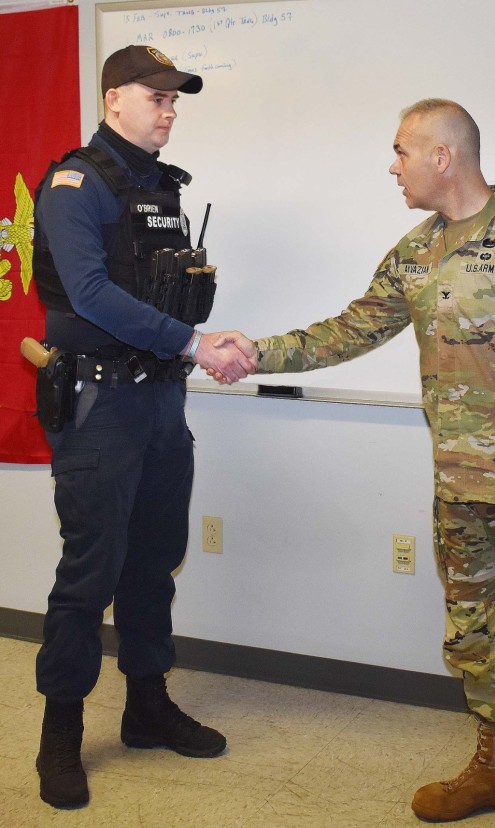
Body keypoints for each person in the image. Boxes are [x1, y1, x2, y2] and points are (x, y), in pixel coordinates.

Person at [215, 99, 495, 826]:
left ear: (443, 156)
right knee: (475, 635)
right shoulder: (417, 250)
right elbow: (353, 327)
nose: (393, 165)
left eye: (402, 151)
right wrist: (256, 352)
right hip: (458, 487)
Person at [32, 45, 254, 809]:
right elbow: (90, 295)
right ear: (112, 98)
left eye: (174, 100)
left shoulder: (162, 189)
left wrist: (197, 334)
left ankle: (146, 707)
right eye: (156, 98)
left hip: (160, 402)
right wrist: (197, 344)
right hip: (99, 405)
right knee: (88, 575)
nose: (170, 111)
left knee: (155, 562)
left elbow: (161, 298)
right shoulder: (74, 183)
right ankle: (58, 735)